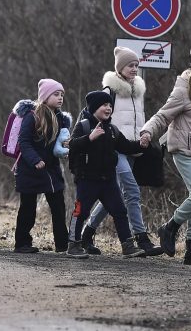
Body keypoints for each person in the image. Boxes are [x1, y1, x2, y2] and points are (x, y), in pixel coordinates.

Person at [139, 44, 191, 267]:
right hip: (183, 151)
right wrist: (147, 131)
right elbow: (162, 116)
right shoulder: (183, 90)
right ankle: (169, 228)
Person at [81, 47, 164, 256]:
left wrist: (144, 135)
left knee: (113, 196)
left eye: (136, 65)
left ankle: (87, 232)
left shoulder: (138, 91)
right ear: (120, 68)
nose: (134, 69)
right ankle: (141, 237)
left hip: (134, 149)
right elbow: (92, 115)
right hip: (115, 149)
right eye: (130, 65)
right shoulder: (110, 90)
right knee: (133, 192)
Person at [67, 90, 146, 259]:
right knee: (80, 212)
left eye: (110, 105)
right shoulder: (84, 125)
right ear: (94, 107)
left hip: (108, 181)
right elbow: (72, 145)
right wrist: (90, 137)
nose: (109, 108)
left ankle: (128, 246)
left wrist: (142, 144)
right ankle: (73, 245)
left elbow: (127, 147)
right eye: (104, 105)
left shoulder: (112, 129)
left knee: (120, 211)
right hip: (87, 180)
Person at [13, 79, 71, 254]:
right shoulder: (32, 116)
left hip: (51, 169)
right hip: (30, 169)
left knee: (58, 207)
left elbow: (59, 144)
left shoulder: (61, 119)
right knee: (28, 208)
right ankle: (22, 243)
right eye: (56, 94)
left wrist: (65, 147)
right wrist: (35, 159)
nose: (60, 97)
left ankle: (63, 244)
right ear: (45, 97)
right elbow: (23, 141)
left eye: (61, 94)